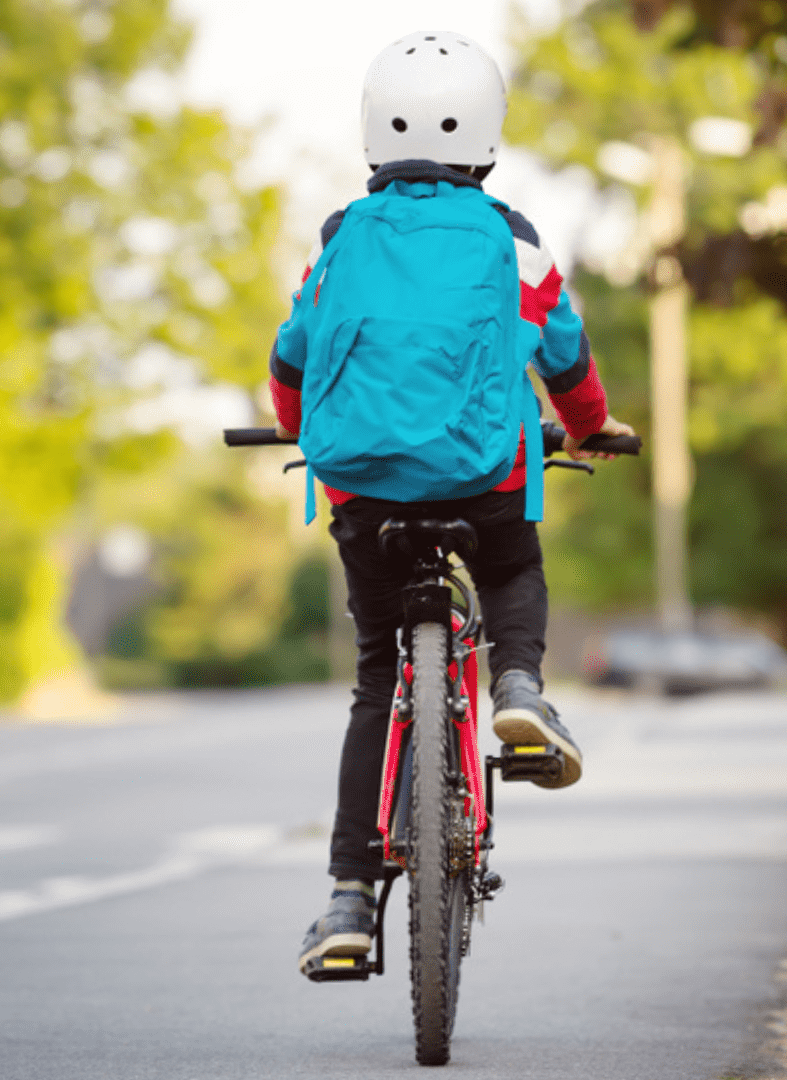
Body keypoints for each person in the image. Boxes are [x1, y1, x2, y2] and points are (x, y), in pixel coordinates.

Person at [267, 31, 637, 976]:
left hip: (362, 490)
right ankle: (518, 689)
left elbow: (291, 359)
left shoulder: (341, 241)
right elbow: (565, 354)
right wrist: (588, 426)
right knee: (513, 564)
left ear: (372, 136)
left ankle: (350, 896)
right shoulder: (511, 241)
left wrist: (298, 429)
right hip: (484, 476)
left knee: (374, 679)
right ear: (488, 135)